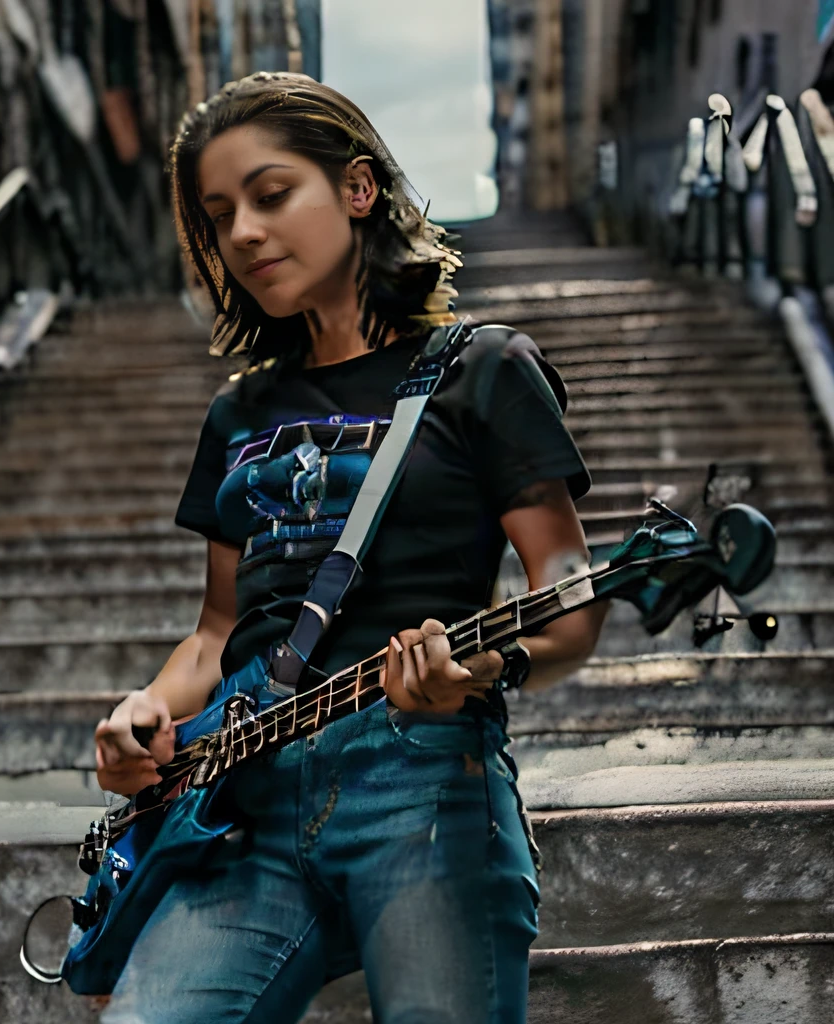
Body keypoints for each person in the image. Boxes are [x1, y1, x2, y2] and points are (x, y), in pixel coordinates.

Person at [93, 71, 608, 1024]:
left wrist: (491, 667)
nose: (242, 232)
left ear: (358, 190)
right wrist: (143, 715)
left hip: (418, 778)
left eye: (271, 193)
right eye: (218, 215)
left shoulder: (485, 370)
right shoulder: (238, 411)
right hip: (240, 797)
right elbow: (215, 634)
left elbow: (570, 591)